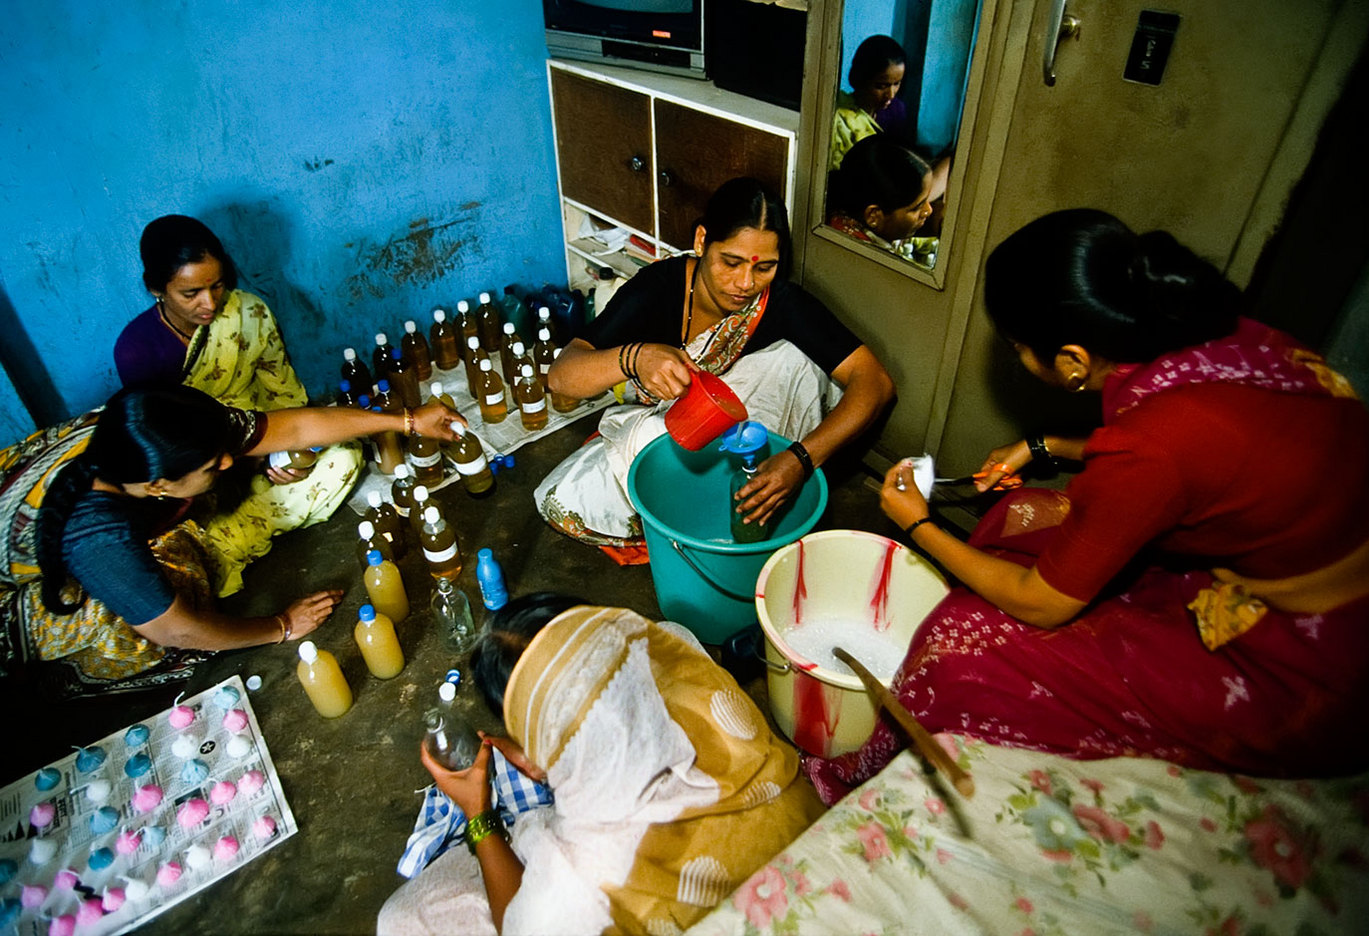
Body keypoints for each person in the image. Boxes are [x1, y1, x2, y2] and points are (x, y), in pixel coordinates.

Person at [805, 209, 1369, 803]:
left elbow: (1044, 603)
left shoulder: (1150, 450)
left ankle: (859, 778)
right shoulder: (1218, 333)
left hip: (1316, 663)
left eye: (1017, 349)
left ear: (1072, 361)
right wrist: (1045, 445)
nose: (1017, 361)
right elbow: (1189, 453)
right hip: (1302, 567)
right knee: (1021, 514)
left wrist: (921, 525)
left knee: (959, 644)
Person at [378, 596, 824, 935]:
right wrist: (547, 759)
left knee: (402, 918)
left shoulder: (576, 879)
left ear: (536, 747)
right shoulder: (686, 668)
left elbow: (521, 923)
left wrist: (479, 813)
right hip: (800, 854)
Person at [1, 385, 463, 687]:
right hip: (14, 598)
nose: (227, 463)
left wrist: (407, 421)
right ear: (157, 487)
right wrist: (280, 627)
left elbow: (298, 427)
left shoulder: (150, 431)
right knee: (132, 631)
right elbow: (172, 627)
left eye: (223, 454)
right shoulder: (97, 532)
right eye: (210, 465)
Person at [535, 178, 895, 548]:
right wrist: (635, 357)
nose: (744, 283)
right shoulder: (661, 287)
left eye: (764, 267)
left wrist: (799, 460)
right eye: (730, 262)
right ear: (701, 241)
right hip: (671, 429)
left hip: (747, 441)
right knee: (569, 497)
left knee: (796, 362)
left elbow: (874, 382)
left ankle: (720, 502)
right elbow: (562, 377)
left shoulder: (782, 304)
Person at [114, 215, 363, 596]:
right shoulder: (137, 349)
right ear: (155, 288)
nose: (210, 303)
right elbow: (165, 452)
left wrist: (287, 455)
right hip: (203, 481)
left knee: (344, 456)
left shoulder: (249, 313)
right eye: (191, 293)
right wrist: (241, 461)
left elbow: (283, 394)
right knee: (179, 546)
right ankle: (237, 538)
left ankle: (243, 537)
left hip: (263, 439)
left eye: (217, 285)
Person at [827, 135, 950, 266]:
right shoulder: (865, 263)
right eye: (916, 207)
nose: (928, 210)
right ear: (873, 216)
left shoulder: (844, 215)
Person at [830, 35, 910, 170]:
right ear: (861, 79)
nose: (890, 94)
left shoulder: (896, 111)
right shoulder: (838, 116)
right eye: (881, 86)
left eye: (896, 84)